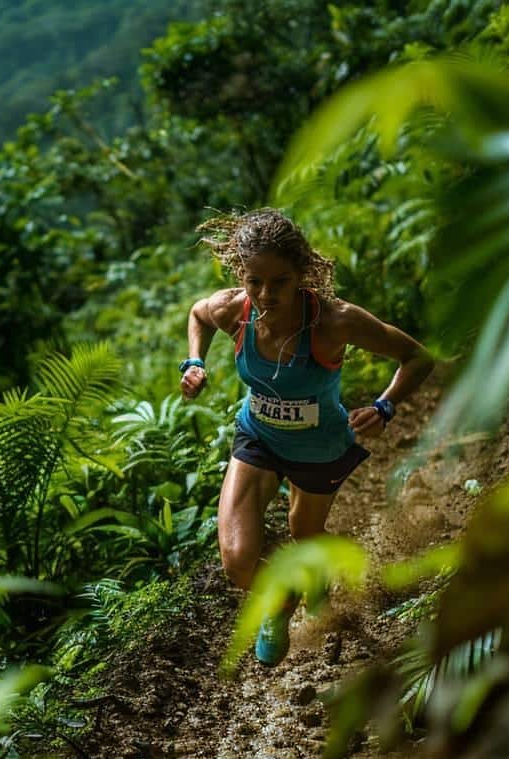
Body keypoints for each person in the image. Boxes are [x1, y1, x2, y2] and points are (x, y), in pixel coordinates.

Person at [180, 208, 433, 666]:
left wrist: (384, 407)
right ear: (242, 273)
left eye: (277, 282)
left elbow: (416, 358)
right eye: (254, 281)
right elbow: (197, 314)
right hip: (257, 436)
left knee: (305, 532)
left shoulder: (335, 322)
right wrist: (194, 362)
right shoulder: (234, 310)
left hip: (319, 447)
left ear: (301, 274)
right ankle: (281, 603)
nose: (264, 294)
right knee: (238, 562)